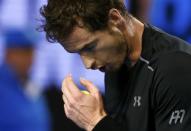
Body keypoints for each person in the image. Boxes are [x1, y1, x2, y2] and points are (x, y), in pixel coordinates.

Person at [40, 0, 191, 131]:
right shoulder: (116, 62)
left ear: (115, 19)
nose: (87, 64)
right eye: (78, 53)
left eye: (90, 47)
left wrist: (95, 122)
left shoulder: (174, 68)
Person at [0, 29, 50, 131]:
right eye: (24, 52)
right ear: (8, 53)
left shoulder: (31, 86)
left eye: (31, 52)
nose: (29, 59)